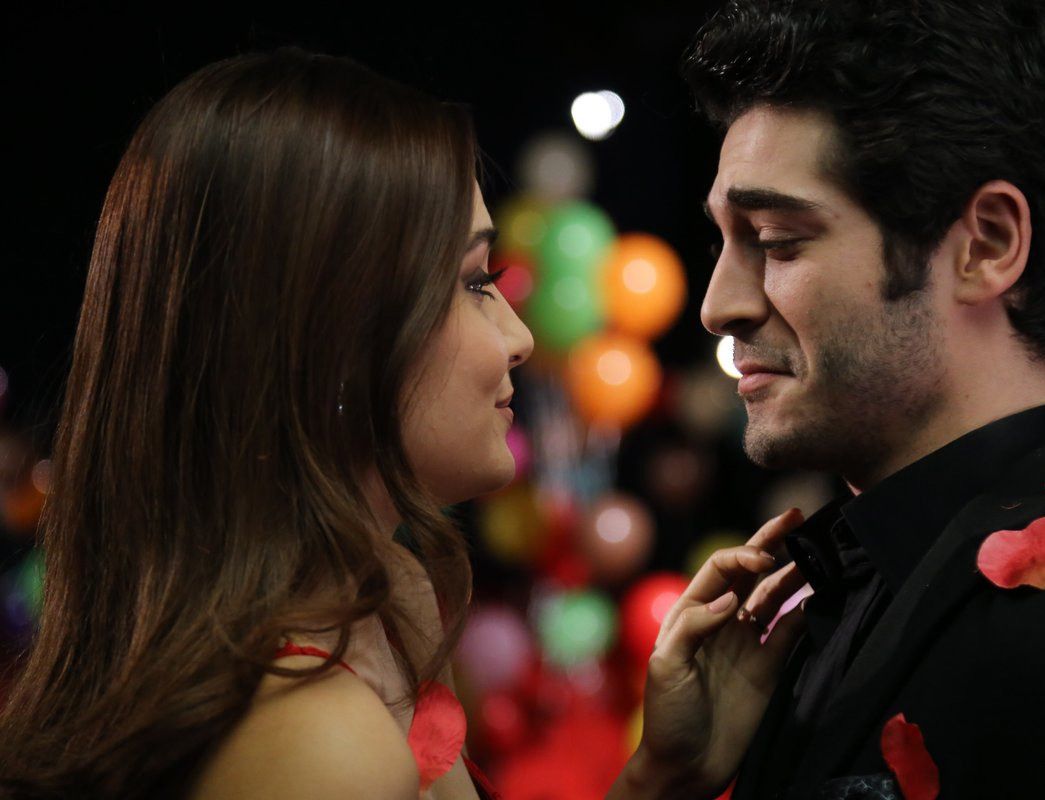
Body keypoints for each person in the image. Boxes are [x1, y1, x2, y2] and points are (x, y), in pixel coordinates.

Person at [0, 47, 807, 800]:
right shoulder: (320, 747)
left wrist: (660, 775)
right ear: (330, 339)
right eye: (475, 282)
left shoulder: (381, 602)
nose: (520, 338)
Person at [644, 0, 1045, 797]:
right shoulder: (823, 592)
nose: (717, 306)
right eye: (722, 240)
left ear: (985, 245)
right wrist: (662, 782)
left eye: (776, 241)